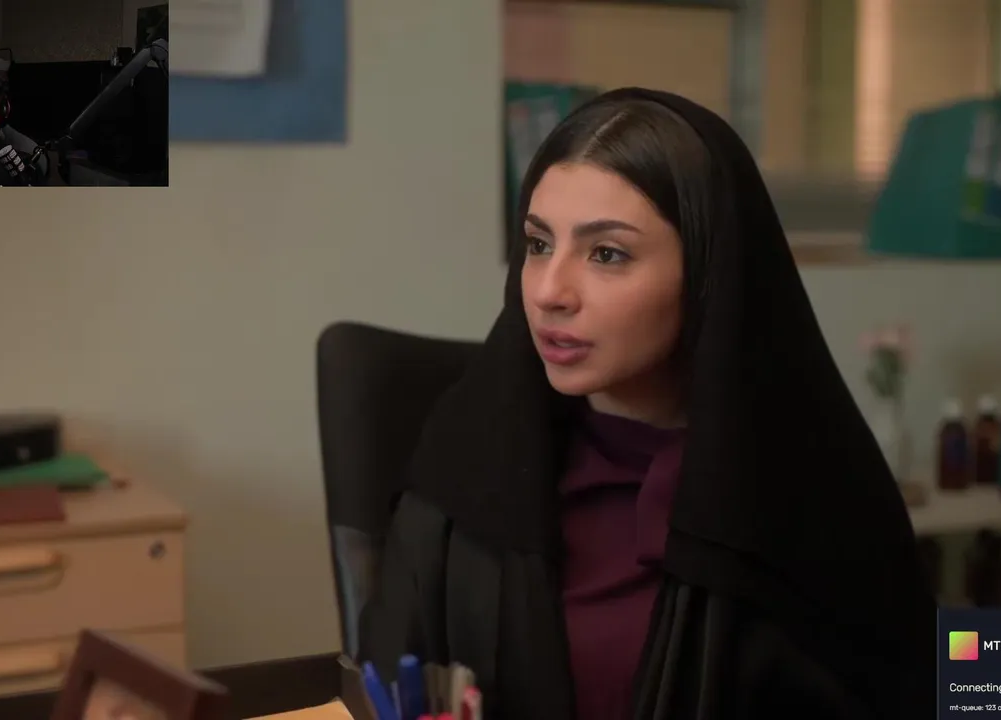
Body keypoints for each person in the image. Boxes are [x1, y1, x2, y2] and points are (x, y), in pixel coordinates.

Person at [358, 88, 936, 719]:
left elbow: (940, 683)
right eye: (539, 244)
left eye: (606, 254)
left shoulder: (812, 498)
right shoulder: (466, 464)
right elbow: (379, 685)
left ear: (708, 275)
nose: (549, 291)